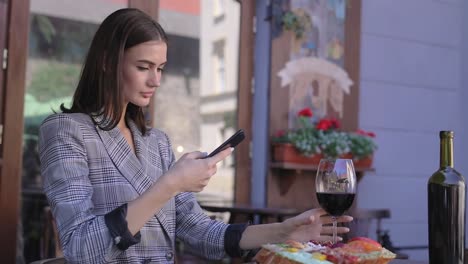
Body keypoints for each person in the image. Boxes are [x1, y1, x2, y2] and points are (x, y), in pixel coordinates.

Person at [39, 8, 352, 264]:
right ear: (108, 62)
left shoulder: (156, 142)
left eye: (160, 68)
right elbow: (82, 250)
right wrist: (172, 183)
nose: (155, 80)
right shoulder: (66, 132)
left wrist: (283, 232)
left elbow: (200, 231)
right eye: (144, 66)